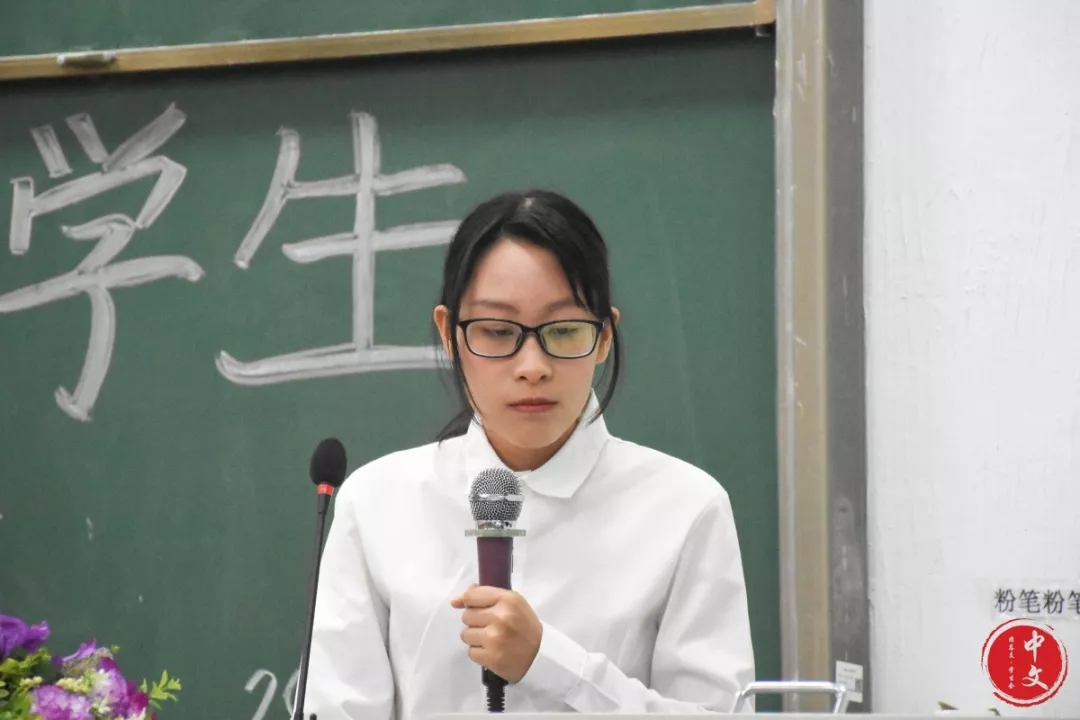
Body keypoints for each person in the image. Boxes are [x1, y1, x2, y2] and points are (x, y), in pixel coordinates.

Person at [303, 189, 756, 720]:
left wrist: (551, 663)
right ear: (449, 333)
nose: (533, 366)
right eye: (498, 332)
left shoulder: (686, 507)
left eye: (563, 331)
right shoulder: (377, 503)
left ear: (604, 336)